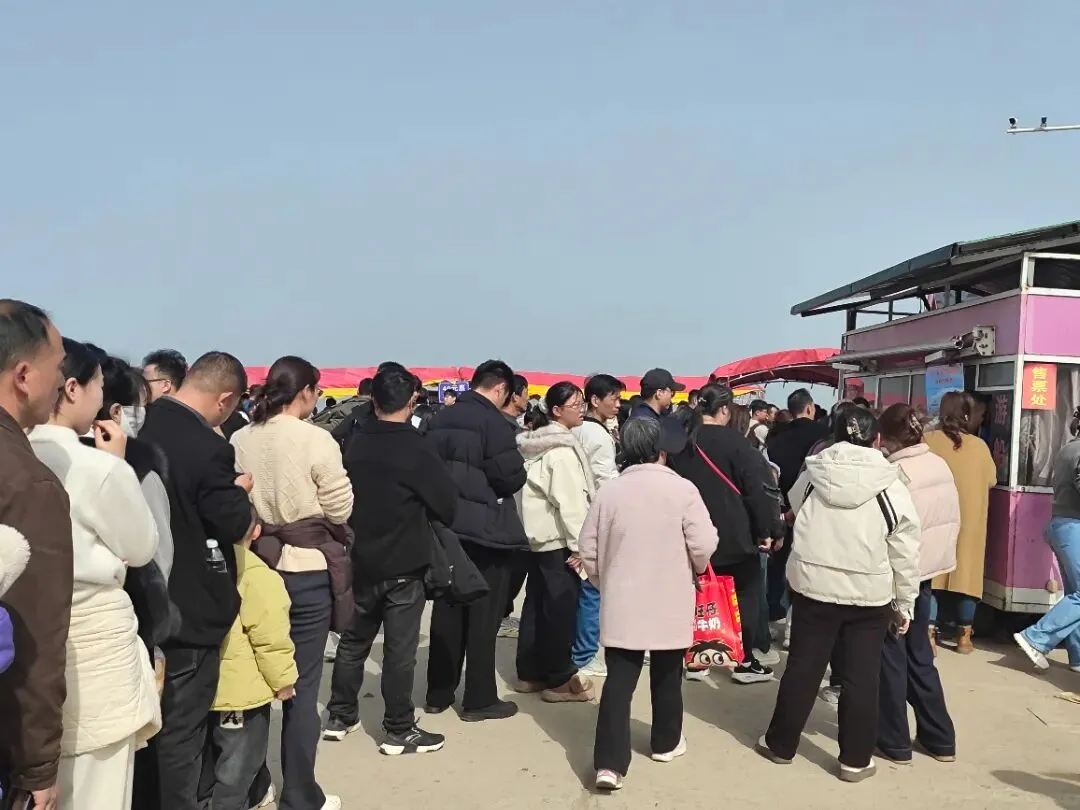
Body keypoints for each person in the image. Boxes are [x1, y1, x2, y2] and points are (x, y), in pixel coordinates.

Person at [29, 338, 161, 809]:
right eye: (99, 386)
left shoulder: (16, 456)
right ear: (71, 389)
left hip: (28, 642)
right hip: (93, 646)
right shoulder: (98, 468)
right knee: (96, 787)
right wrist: (117, 464)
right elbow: (142, 547)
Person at [756, 407, 920, 783]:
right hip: (869, 593)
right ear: (877, 440)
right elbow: (905, 550)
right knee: (862, 676)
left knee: (803, 667)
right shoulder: (891, 484)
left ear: (835, 438)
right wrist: (905, 602)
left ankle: (780, 745)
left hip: (814, 586)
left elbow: (796, 508)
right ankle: (855, 760)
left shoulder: (813, 475)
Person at [231, 356, 353, 810]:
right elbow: (339, 508)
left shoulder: (241, 436)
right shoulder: (315, 438)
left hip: (258, 564)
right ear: (305, 391)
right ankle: (300, 792)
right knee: (301, 686)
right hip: (307, 568)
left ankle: (253, 783)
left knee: (257, 679)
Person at [138, 351, 257, 810]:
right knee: (181, 735)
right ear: (225, 399)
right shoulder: (207, 446)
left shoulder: (139, 426)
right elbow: (233, 524)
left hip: (141, 604)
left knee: (147, 735)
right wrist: (239, 494)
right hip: (188, 609)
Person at [323, 365, 457, 754]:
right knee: (399, 650)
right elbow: (447, 506)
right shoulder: (416, 446)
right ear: (412, 400)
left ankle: (340, 715)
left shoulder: (355, 441)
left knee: (353, 641)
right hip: (403, 561)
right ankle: (398, 726)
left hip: (359, 558)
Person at [580, 418, 718, 792]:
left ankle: (609, 764)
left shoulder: (610, 492)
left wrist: (604, 580)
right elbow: (704, 543)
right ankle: (665, 743)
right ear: (661, 449)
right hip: (670, 595)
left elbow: (588, 548)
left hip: (623, 598)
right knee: (668, 674)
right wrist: (697, 568)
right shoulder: (683, 489)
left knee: (619, 681)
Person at [425, 360, 528, 721]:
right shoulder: (493, 423)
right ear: (500, 389)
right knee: (484, 615)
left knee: (447, 608)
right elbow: (510, 477)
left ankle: (438, 693)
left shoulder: (439, 419)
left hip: (447, 526)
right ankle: (479, 698)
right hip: (487, 531)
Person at [0, 301, 73, 810]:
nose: (62, 381)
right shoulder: (27, 483)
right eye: (58, 365)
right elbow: (37, 637)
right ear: (24, 375)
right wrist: (37, 767)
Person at [670, 384, 784, 683]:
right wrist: (768, 529)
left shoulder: (684, 443)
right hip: (735, 534)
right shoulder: (737, 443)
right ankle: (743, 661)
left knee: (699, 595)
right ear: (724, 410)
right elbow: (758, 491)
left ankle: (698, 658)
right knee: (745, 597)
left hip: (692, 533)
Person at [877, 403, 960, 764]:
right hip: (927, 572)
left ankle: (894, 741)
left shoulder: (896, 474)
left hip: (900, 575)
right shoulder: (938, 464)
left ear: (886, 438)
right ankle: (939, 737)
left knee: (891, 657)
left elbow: (893, 532)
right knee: (920, 655)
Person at [207, 519, 297, 810]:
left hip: (203, 685)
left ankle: (256, 793)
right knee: (238, 765)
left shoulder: (201, 564)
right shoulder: (258, 575)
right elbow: (271, 638)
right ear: (256, 531)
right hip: (241, 693)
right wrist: (283, 681)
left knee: (211, 761)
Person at [514, 382, 595, 703]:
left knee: (536, 605)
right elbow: (570, 503)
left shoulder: (536, 444)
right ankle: (559, 677)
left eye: (582, 404)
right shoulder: (560, 451)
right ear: (557, 411)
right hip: (558, 539)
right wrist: (580, 545)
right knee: (560, 609)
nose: (582, 410)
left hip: (537, 537)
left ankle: (529, 672)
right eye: (576, 405)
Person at [924, 392, 996, 654]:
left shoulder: (928, 440)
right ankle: (964, 637)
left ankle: (929, 634)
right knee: (967, 577)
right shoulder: (979, 446)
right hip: (968, 523)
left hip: (935, 520)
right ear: (967, 415)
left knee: (931, 577)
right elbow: (991, 479)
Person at [1015, 406, 1080, 673]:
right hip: (1073, 526)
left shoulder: (1068, 448)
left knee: (1075, 595)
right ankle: (1036, 638)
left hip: (1063, 525)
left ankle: (1077, 656)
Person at [569, 374, 625, 678]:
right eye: (613, 399)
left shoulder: (576, 429)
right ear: (594, 400)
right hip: (594, 517)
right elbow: (606, 482)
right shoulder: (598, 436)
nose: (617, 405)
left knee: (579, 588)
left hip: (575, 514)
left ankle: (577, 649)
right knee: (592, 588)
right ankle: (585, 654)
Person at [763, 389, 829, 631]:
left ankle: (774, 610)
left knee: (779, 562)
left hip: (781, 506)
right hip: (814, 508)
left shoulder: (777, 438)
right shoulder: (823, 437)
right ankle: (796, 618)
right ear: (810, 408)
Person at [498, 375, 530, 639]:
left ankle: (500, 611)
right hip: (511, 511)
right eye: (526, 393)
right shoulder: (511, 434)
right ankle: (499, 614)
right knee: (513, 566)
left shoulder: (500, 427)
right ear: (515, 395)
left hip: (506, 511)